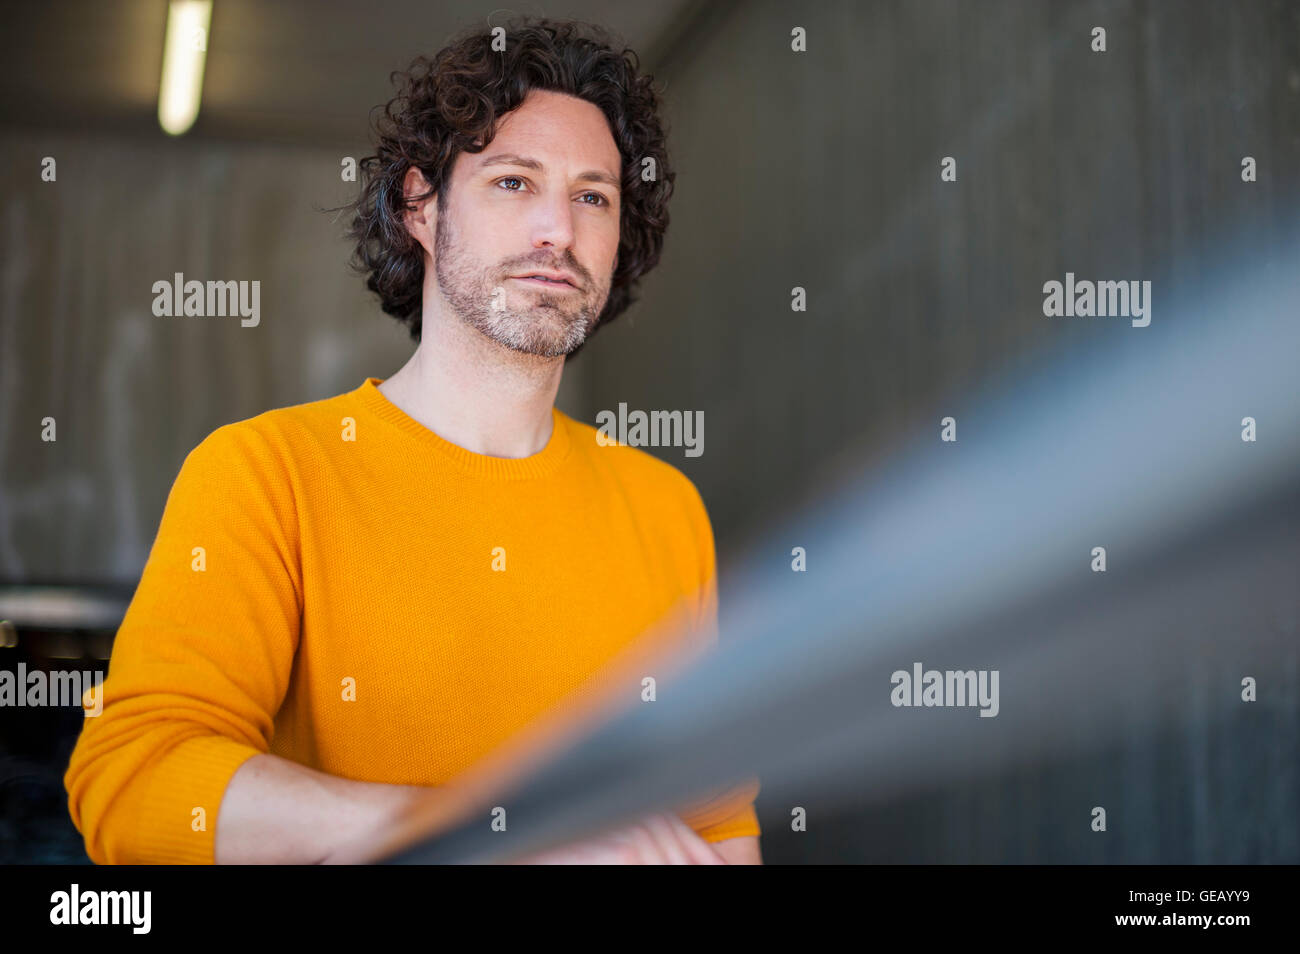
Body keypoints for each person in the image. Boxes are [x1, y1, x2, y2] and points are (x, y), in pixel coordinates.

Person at [64, 16, 761, 865]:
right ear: (420, 208)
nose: (559, 231)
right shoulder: (263, 474)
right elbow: (134, 781)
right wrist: (490, 837)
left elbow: (720, 829)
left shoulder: (667, 510)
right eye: (513, 182)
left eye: (593, 196)